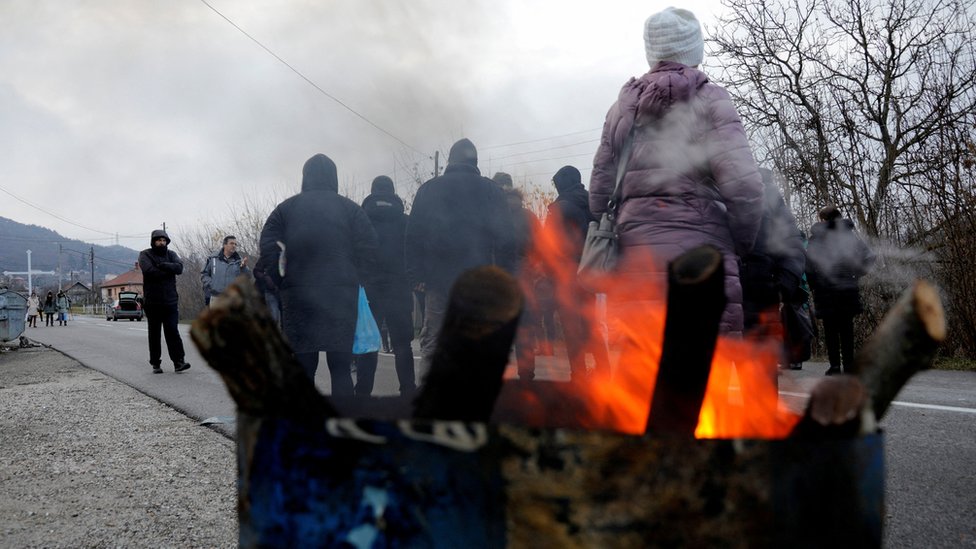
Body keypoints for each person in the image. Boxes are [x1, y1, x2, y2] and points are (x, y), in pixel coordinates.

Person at [589, 7, 763, 336]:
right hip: (704, 263)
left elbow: (599, 196)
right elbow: (746, 188)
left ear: (651, 51)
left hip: (636, 265)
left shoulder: (620, 110)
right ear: (694, 49)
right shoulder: (712, 101)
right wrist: (739, 243)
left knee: (639, 379)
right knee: (707, 377)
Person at [255, 154, 378, 394]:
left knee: (303, 364)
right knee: (341, 367)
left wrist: (282, 279)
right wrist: (356, 278)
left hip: (298, 295)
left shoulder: (285, 210)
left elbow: (270, 249)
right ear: (334, 177)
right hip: (341, 295)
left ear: (305, 177)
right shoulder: (351, 210)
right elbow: (369, 249)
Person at [405, 138, 517, 372]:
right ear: (475, 162)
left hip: (438, 283)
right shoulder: (491, 191)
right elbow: (507, 241)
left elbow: (413, 237)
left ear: (449, 161)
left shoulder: (428, 189)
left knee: (434, 345)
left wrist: (417, 277)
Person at [546, 165, 612, 381]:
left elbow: (548, 247)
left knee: (572, 328)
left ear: (562, 183)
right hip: (591, 274)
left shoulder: (559, 209)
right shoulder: (594, 204)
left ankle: (579, 375)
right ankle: (604, 371)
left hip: (567, 276)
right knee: (591, 324)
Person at [353, 176, 416, 396]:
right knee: (402, 345)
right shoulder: (406, 221)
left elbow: (354, 255)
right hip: (399, 289)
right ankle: (408, 391)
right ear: (393, 192)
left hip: (370, 289)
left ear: (372, 192)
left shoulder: (361, 221)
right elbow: (413, 254)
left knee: (369, 343)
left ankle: (362, 393)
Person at [739, 168, 806, 368]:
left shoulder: (769, 197)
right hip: (714, 310)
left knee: (760, 389)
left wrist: (783, 285)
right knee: (712, 391)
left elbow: (793, 244)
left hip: (760, 304)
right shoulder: (708, 188)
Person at [805, 205, 875, 375]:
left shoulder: (816, 239)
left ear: (822, 219)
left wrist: (815, 284)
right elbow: (869, 257)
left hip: (825, 289)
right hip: (847, 288)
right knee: (846, 328)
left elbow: (808, 266)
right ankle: (849, 365)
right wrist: (855, 275)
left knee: (830, 329)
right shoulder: (850, 237)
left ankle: (835, 366)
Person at [501, 184, 543, 380]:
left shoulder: (496, 215)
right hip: (525, 277)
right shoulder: (530, 216)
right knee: (524, 329)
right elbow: (541, 245)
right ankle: (526, 375)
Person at [138, 229, 191, 374]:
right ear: (153, 241)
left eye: (164, 240)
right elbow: (149, 271)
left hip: (170, 301)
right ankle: (155, 363)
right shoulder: (145, 254)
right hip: (152, 302)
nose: (161, 243)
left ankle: (179, 362)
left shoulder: (171, 254)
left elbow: (179, 268)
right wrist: (169, 269)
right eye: (158, 240)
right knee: (154, 334)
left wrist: (163, 265)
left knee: (172, 331)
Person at [200, 235, 250, 306]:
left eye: (235, 244)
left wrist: (243, 267)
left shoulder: (239, 261)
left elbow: (247, 277)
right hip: (216, 298)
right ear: (224, 245)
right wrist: (212, 285)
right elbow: (204, 273)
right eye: (231, 243)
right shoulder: (213, 258)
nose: (234, 246)